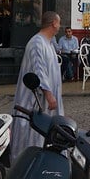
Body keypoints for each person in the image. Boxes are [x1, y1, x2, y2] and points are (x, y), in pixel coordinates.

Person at [10, 11, 64, 162]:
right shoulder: (37, 43)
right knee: (32, 133)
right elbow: (38, 70)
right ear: (54, 23)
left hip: (45, 102)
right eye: (59, 23)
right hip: (34, 100)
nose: (60, 26)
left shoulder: (48, 43)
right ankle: (26, 162)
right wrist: (48, 94)